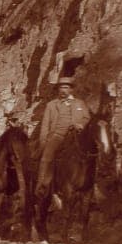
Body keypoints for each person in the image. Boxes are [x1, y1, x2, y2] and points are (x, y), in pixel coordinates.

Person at [36, 73, 91, 201]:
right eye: (61, 87)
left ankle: (92, 186)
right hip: (57, 135)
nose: (63, 90)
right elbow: (45, 124)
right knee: (46, 157)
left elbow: (87, 117)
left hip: (76, 135)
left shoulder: (80, 103)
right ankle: (42, 186)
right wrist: (43, 141)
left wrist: (81, 125)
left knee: (92, 154)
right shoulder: (51, 105)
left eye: (66, 87)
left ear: (71, 89)